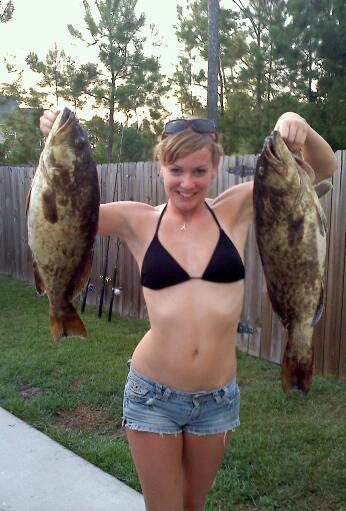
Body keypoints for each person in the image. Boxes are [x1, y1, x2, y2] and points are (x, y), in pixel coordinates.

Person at [40, 110, 338, 511]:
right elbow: (57, 211)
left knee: (193, 505)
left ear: (215, 167)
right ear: (160, 165)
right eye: (176, 169)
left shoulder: (237, 207)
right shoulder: (136, 220)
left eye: (199, 170)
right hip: (153, 396)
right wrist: (53, 150)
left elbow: (323, 168)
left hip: (217, 399)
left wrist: (296, 121)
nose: (186, 183)